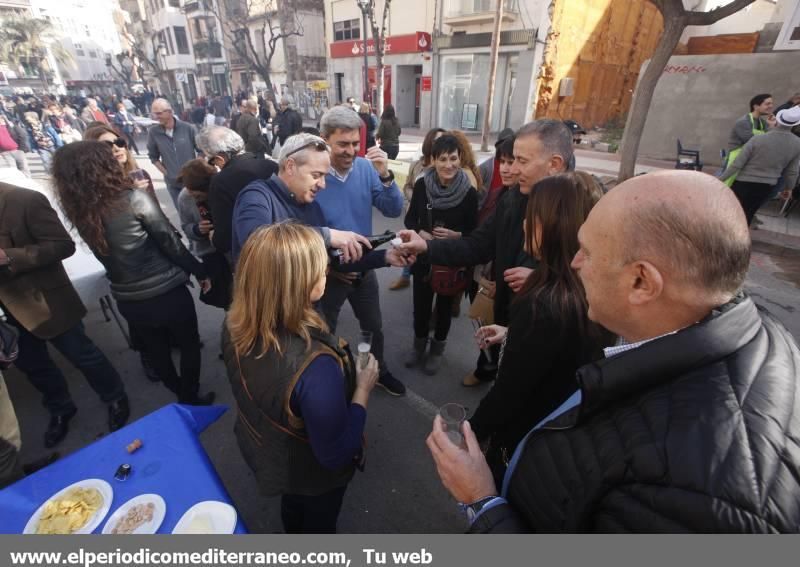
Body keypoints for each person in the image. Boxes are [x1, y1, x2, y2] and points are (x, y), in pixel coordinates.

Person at [427, 170, 800, 533]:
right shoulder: (750, 338)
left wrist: (483, 502)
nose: (575, 262)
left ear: (641, 282)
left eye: (588, 251)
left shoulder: (697, 492)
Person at [223, 222, 379, 533]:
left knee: (293, 509)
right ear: (309, 285)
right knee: (318, 524)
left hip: (270, 451)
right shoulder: (316, 367)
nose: (326, 274)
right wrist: (362, 390)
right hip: (312, 476)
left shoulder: (233, 322)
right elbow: (335, 455)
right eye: (322, 269)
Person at [398, 119, 574, 386]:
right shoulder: (513, 199)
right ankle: (487, 371)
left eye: (522, 162)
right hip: (506, 316)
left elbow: (591, 287)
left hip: (547, 336)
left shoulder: (585, 207)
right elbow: (477, 244)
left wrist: (543, 279)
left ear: (555, 164)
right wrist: (427, 246)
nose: (512, 170)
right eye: (511, 160)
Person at [469, 172, 609, 485]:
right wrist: (513, 335)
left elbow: (508, 392)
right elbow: (565, 348)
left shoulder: (543, 304)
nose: (523, 224)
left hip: (528, 434)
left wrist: (470, 433)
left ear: (555, 226)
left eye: (532, 217)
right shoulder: (588, 285)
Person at [51, 142, 215, 406]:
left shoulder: (81, 211)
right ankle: (189, 393)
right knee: (188, 344)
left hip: (128, 298)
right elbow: (170, 243)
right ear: (102, 167)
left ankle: (180, 394)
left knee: (157, 351)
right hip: (166, 291)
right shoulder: (132, 199)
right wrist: (199, 271)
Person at [0, 181, 129, 447]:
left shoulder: (25, 200)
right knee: (34, 367)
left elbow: (62, 245)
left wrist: (10, 256)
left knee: (83, 354)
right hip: (7, 312)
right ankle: (61, 407)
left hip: (46, 301)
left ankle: (115, 397)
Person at [316, 107, 407, 396]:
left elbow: (393, 209)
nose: (351, 151)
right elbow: (302, 231)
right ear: (324, 139)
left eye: (355, 143)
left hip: (366, 265)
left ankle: (377, 370)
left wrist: (386, 176)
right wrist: (327, 269)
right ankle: (326, 382)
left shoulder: (367, 168)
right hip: (327, 275)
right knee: (322, 332)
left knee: (373, 326)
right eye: (343, 144)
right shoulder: (314, 175)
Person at [231, 132, 408, 272]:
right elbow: (257, 244)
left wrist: (385, 257)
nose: (322, 184)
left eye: (324, 176)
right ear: (291, 166)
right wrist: (327, 235)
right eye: (316, 175)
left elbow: (333, 259)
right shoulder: (257, 195)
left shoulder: (311, 206)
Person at [404, 134, 478, 375]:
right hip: (424, 259)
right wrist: (421, 233)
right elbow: (409, 219)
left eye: (453, 158)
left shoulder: (468, 192)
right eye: (443, 159)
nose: (449, 165)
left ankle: (437, 351)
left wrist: (457, 236)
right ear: (433, 160)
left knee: (445, 308)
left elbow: (474, 232)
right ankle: (418, 347)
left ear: (460, 158)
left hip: (452, 261)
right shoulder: (423, 186)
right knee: (420, 306)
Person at [195, 126, 279, 262]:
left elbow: (224, 238)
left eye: (211, 161)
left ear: (220, 158)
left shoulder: (220, 181)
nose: (213, 165)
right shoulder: (271, 165)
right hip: (284, 244)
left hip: (252, 257)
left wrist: (213, 237)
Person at [720, 106, 800, 226]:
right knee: (749, 213)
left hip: (743, 182)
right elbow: (792, 171)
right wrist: (789, 188)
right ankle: (740, 239)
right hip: (766, 185)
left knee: (730, 212)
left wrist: (721, 180)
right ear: (795, 124)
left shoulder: (758, 138)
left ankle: (722, 238)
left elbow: (737, 163)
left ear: (777, 120)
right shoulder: (797, 143)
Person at [389, 127, 445, 291]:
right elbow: (407, 185)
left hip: (433, 220)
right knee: (410, 246)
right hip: (415, 215)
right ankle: (406, 276)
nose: (439, 143)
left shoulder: (446, 166)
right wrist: (416, 197)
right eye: (435, 140)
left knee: (430, 254)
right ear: (429, 142)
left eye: (442, 139)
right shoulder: (417, 164)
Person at [147, 98, 199, 210]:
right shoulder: (153, 133)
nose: (156, 117)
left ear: (169, 112)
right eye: (154, 114)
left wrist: (196, 170)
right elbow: (153, 157)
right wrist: (167, 173)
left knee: (199, 212)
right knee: (183, 214)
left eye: (159, 113)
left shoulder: (188, 128)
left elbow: (201, 151)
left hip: (192, 181)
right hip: (173, 184)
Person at [84, 124, 157, 202]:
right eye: (107, 145)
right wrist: (131, 194)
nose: (117, 148)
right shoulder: (93, 186)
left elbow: (156, 209)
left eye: (119, 142)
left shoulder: (140, 174)